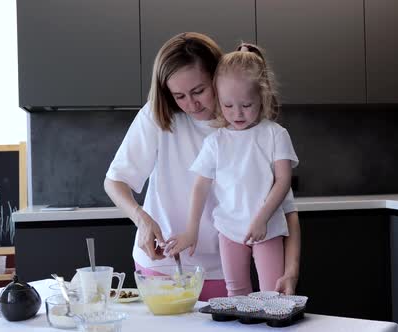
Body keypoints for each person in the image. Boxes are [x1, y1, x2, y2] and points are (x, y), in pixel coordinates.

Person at [104, 33, 301, 301]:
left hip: (222, 269)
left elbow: (285, 209)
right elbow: (115, 181)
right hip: (163, 267)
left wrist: (291, 271)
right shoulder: (158, 116)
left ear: (218, 78)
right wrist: (142, 219)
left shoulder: (256, 133)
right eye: (179, 95)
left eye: (199, 91)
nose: (191, 104)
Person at [165, 43, 298, 296]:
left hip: (267, 229)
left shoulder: (275, 135)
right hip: (228, 231)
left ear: (263, 96)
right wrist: (191, 230)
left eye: (246, 105)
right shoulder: (215, 141)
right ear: (218, 98)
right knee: (235, 293)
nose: (237, 113)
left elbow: (283, 181)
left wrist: (261, 219)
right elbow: (200, 186)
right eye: (227, 105)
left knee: (273, 294)